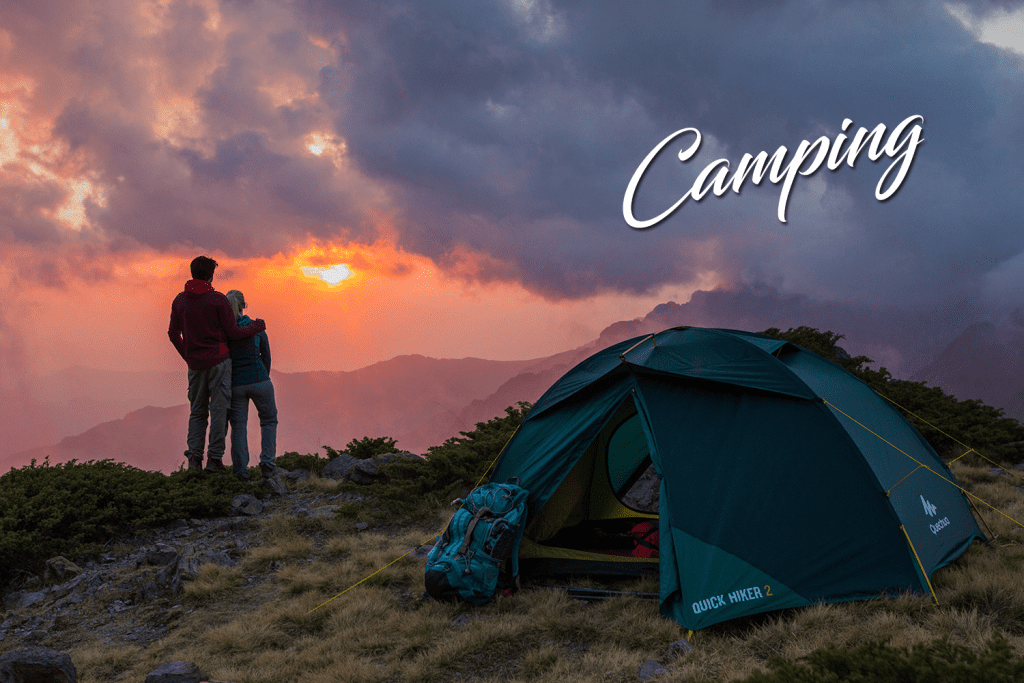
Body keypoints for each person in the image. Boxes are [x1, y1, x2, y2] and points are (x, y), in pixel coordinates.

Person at [168, 256, 266, 472]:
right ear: (211, 275)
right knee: (219, 410)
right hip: (220, 362)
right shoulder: (218, 300)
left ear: (192, 272)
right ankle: (215, 459)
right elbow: (233, 332)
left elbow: (173, 334)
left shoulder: (180, 301)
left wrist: (188, 356)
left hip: (195, 365)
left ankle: (194, 458)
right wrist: (257, 326)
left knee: (197, 411)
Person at [224, 289, 278, 480]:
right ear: (243, 305)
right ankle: (267, 465)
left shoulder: (226, 331)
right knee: (269, 421)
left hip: (236, 384)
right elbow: (267, 355)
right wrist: (263, 375)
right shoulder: (256, 328)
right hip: (260, 380)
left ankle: (240, 471)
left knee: (238, 427)